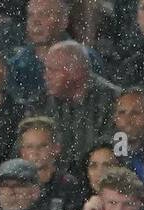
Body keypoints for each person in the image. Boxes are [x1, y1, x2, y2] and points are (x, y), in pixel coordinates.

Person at [31, 40, 118, 172]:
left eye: (53, 70)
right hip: (56, 182)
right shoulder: (42, 102)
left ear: (76, 72)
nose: (45, 76)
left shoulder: (114, 101)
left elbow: (118, 151)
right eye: (46, 69)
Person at [16, 115, 85, 210]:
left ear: (56, 148)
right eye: (29, 147)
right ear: (22, 152)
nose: (35, 152)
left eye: (42, 146)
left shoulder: (69, 186)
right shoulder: (14, 186)